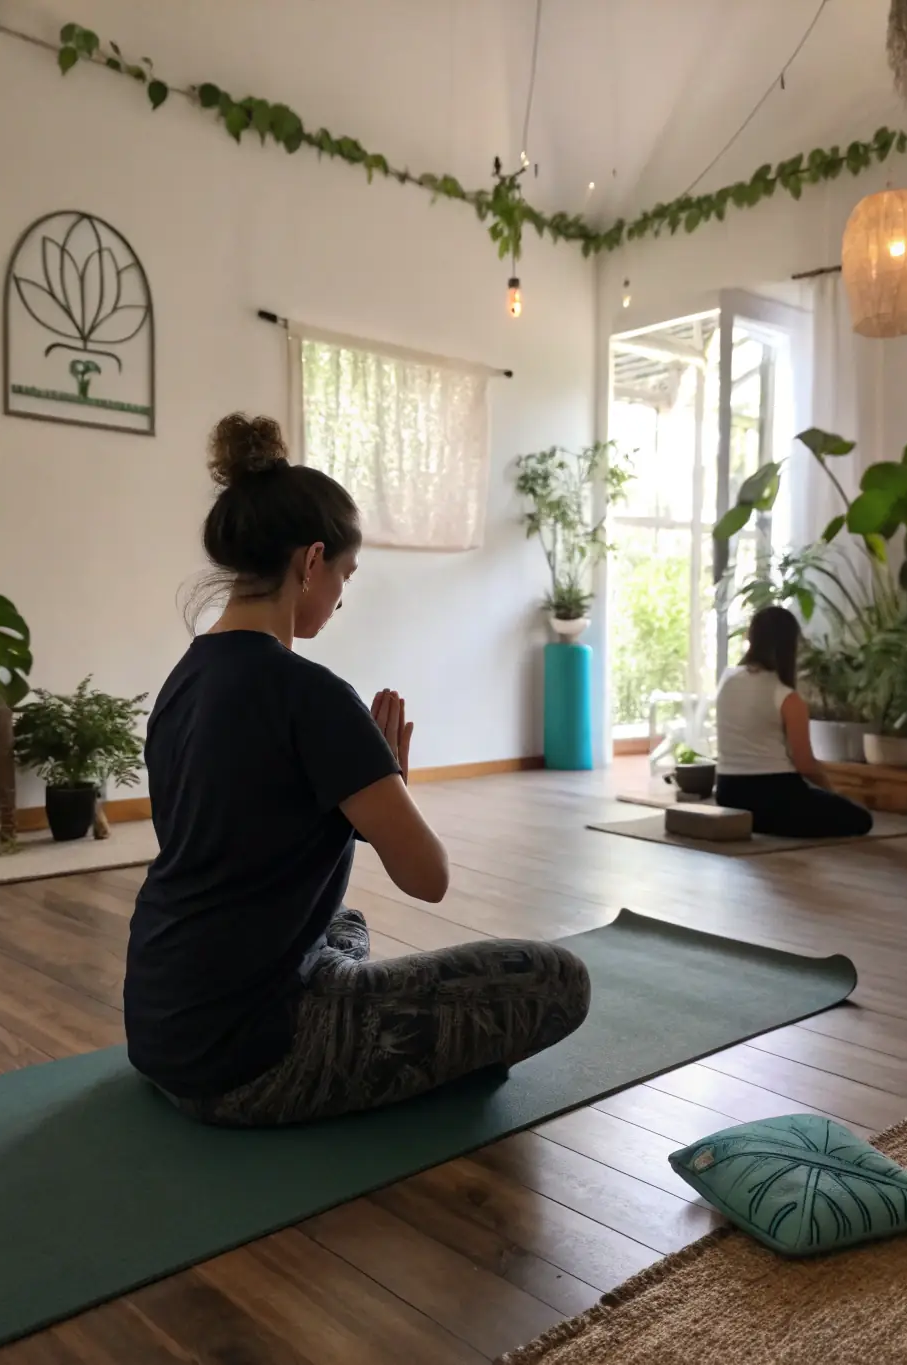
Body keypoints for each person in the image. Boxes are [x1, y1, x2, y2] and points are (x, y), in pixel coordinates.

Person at [124, 414, 590, 1127]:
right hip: (249, 1062)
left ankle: (337, 1002)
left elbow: (233, 835)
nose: (341, 594)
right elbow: (428, 877)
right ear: (311, 562)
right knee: (559, 980)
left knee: (344, 922)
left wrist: (364, 790)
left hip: (160, 1027)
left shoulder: (182, 682)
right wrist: (391, 782)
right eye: (343, 573)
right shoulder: (311, 696)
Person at [714, 605, 873, 839]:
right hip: (775, 797)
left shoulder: (726, 681)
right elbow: (805, 764)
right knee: (861, 819)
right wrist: (833, 792)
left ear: (752, 637)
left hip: (728, 793)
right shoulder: (785, 696)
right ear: (791, 644)